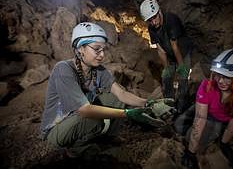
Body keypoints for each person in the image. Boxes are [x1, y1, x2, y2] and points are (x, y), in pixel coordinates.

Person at [40, 22, 175, 158]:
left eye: (103, 49)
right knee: (94, 118)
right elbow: (84, 110)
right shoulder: (63, 69)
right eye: (97, 49)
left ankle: (108, 137)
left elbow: (121, 94)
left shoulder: (98, 71)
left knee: (115, 97)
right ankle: (76, 148)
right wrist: (128, 113)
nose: (102, 55)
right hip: (57, 128)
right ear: (80, 48)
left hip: (79, 119)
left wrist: (148, 103)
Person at [174, 48, 233, 168]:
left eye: (228, 77)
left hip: (217, 119)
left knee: (190, 136)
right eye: (218, 75)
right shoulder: (208, 85)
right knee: (178, 126)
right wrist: (191, 152)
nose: (220, 81)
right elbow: (200, 117)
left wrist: (224, 143)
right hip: (204, 110)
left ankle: (218, 131)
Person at [140, 0, 193, 114]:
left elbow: (175, 46)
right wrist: (167, 68)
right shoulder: (151, 28)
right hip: (169, 53)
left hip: (182, 51)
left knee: (183, 78)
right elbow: (160, 50)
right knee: (166, 77)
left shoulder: (171, 20)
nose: (153, 22)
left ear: (159, 11)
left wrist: (181, 66)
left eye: (154, 17)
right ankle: (170, 106)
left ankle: (183, 109)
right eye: (150, 20)